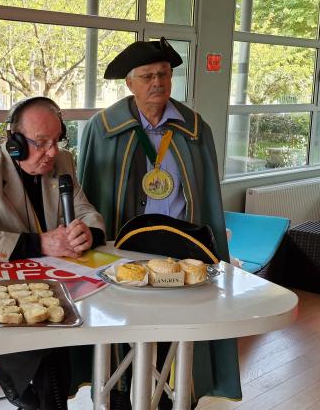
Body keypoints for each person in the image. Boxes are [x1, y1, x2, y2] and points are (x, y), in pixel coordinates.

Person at [77, 38, 242, 407]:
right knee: (121, 332)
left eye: (164, 74)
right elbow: (87, 197)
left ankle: (175, 396)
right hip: (123, 252)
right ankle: (119, 394)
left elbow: (207, 198)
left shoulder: (194, 129)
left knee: (177, 333)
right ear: (129, 84)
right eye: (147, 76)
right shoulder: (102, 129)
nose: (157, 83)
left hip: (182, 251)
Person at [0, 96, 106, 409]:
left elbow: (86, 210)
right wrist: (41, 243)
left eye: (56, 141)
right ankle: (32, 397)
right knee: (46, 355)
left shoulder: (63, 163)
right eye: (41, 143)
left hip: (60, 286)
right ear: (15, 142)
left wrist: (89, 233)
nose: (52, 153)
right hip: (6, 298)